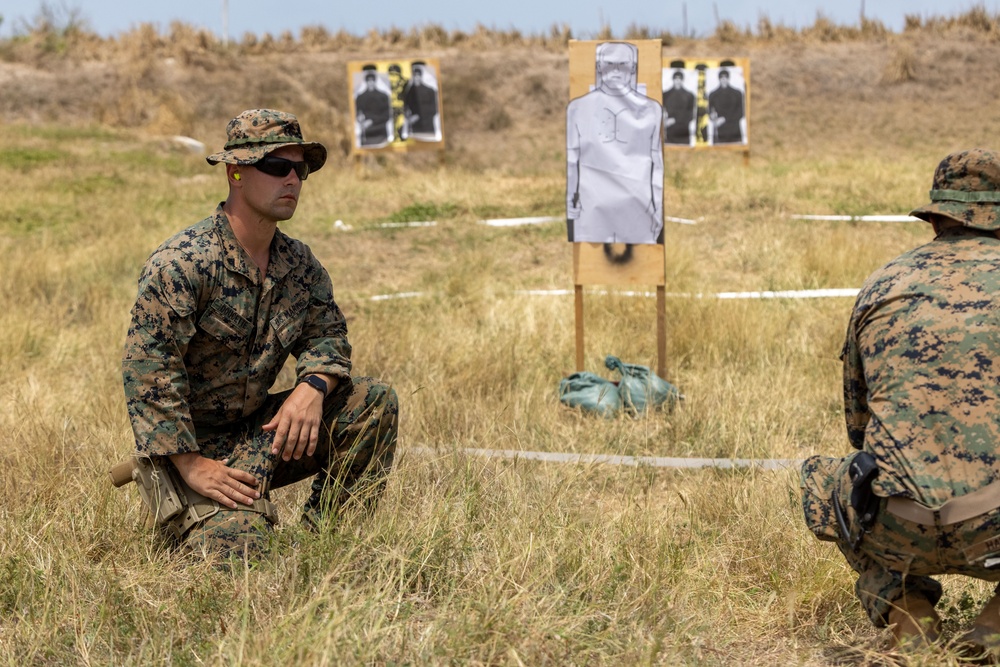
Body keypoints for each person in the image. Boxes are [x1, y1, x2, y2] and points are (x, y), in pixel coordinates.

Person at [122, 109, 398, 559]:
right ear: (235, 173)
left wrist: (312, 387)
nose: (292, 179)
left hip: (259, 431)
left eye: (300, 169)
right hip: (194, 451)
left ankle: (324, 544)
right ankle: (198, 522)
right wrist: (191, 466)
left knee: (372, 402)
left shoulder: (298, 263)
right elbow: (149, 374)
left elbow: (328, 336)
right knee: (243, 562)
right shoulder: (183, 263)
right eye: (276, 167)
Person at [800, 148, 1000, 653]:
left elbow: (858, 423)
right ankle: (994, 626)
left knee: (823, 480)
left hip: (894, 525)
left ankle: (906, 613)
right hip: (996, 525)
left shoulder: (884, 283)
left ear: (935, 216)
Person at [565, 41, 664, 245]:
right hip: (591, 209)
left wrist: (658, 209)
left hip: (638, 209)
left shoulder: (652, 110)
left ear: (633, 68)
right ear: (599, 67)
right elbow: (572, 162)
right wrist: (571, 203)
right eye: (609, 64)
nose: (616, 71)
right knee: (591, 271)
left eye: (623, 65)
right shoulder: (578, 108)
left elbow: (657, 166)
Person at [355, 69, 393, 147]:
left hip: (381, 134)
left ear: (375, 81)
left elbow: (387, 115)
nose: (370, 83)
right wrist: (359, 118)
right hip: (366, 135)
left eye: (372, 80)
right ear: (366, 82)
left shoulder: (383, 96)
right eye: (369, 81)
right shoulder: (360, 97)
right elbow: (356, 113)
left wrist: (372, 121)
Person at [707, 68, 745, 144]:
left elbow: (741, 112)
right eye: (721, 78)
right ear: (719, 79)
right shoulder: (713, 95)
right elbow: (709, 111)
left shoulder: (737, 94)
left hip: (735, 131)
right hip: (720, 132)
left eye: (725, 78)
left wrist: (725, 119)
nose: (723, 80)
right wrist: (711, 116)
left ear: (728, 78)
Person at [402, 63, 439, 138]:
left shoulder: (429, 90)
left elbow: (434, 109)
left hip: (427, 127)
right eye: (415, 76)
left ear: (421, 76)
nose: (416, 78)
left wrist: (418, 116)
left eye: (418, 75)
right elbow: (406, 106)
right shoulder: (408, 91)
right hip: (413, 127)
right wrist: (407, 115)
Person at [662, 69, 696, 146]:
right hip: (669, 135)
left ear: (682, 80)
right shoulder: (665, 95)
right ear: (673, 80)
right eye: (676, 79)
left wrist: (674, 120)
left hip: (684, 134)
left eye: (679, 79)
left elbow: (690, 115)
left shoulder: (689, 95)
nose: (678, 81)